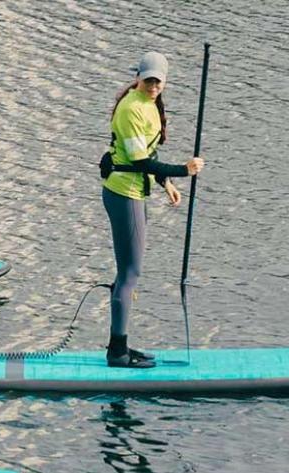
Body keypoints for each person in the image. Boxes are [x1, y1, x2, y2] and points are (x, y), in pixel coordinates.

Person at [100, 52, 205, 369]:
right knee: (130, 274)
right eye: (148, 79)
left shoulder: (151, 105)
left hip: (135, 191)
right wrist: (182, 171)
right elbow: (138, 161)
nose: (153, 85)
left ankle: (121, 344)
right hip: (124, 193)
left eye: (158, 80)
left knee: (128, 273)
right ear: (138, 77)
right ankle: (117, 352)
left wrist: (165, 183)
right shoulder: (132, 108)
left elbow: (149, 152)